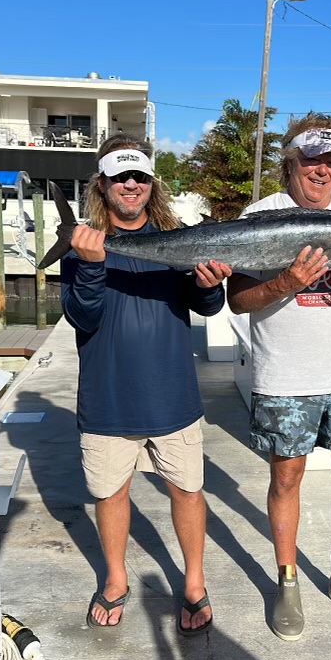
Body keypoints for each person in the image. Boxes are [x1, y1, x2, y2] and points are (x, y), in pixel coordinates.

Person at [227, 114, 331, 641]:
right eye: (312, 160)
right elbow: (239, 300)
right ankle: (287, 581)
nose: (322, 171)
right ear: (290, 162)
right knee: (286, 480)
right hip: (285, 375)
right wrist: (287, 281)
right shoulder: (260, 216)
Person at [61, 134, 231, 634]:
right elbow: (82, 317)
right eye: (121, 177)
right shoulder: (84, 246)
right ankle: (115, 578)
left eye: (139, 176)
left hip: (172, 396)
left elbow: (207, 306)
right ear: (103, 184)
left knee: (188, 491)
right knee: (110, 494)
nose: (131, 184)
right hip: (108, 400)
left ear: (151, 184)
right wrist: (91, 266)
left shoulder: (178, 241)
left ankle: (194, 582)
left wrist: (209, 284)